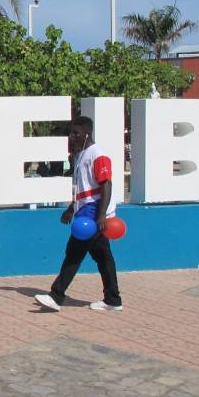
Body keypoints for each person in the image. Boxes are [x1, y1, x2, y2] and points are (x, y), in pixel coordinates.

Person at [34, 115, 123, 313]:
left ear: (86, 134)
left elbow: (105, 185)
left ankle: (56, 295)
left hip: (93, 210)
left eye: (76, 133)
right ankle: (113, 299)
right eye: (71, 132)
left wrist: (101, 215)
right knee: (103, 256)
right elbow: (82, 188)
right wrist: (71, 208)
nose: (72, 136)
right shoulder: (81, 154)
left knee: (74, 251)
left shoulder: (97, 154)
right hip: (85, 209)